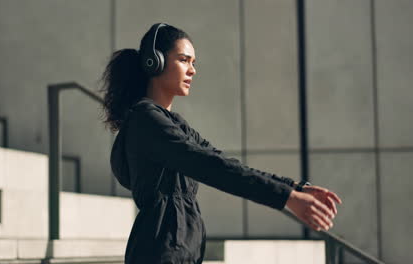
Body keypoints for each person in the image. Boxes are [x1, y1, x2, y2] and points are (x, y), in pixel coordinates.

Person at [100, 23, 342, 264]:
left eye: (194, 63)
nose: (192, 70)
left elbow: (222, 161)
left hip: (180, 252)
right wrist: (286, 197)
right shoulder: (147, 121)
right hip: (159, 254)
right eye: (184, 60)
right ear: (154, 62)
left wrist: (294, 187)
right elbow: (211, 167)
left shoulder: (173, 124)